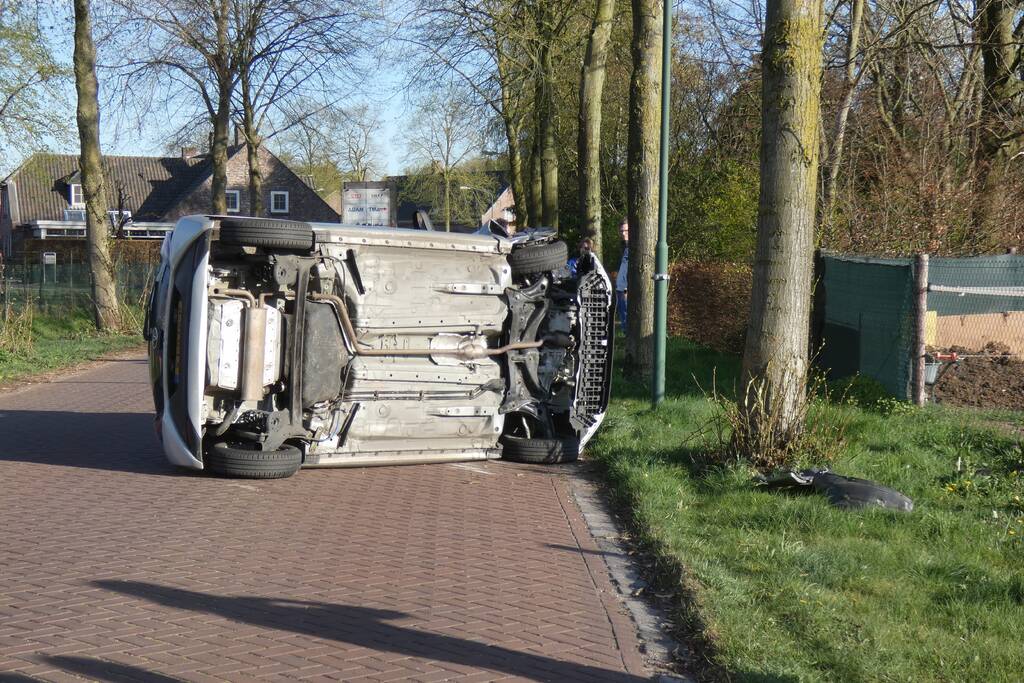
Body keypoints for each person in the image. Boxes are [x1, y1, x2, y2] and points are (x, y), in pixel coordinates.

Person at [615, 220, 628, 332]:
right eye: (621, 231)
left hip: (625, 288)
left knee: (627, 312)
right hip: (620, 287)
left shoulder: (633, 248)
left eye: (626, 230)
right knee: (622, 312)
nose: (623, 233)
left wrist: (626, 288)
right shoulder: (624, 247)